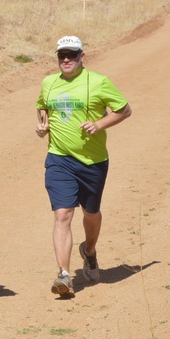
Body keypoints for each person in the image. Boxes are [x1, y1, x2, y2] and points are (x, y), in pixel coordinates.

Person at [35, 36, 132, 297]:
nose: (66, 60)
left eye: (72, 55)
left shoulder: (99, 82)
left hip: (93, 161)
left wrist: (99, 125)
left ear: (82, 57)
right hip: (59, 158)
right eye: (61, 55)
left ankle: (89, 251)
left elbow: (124, 110)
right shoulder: (48, 83)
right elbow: (42, 106)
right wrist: (43, 125)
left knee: (91, 212)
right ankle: (64, 275)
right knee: (62, 214)